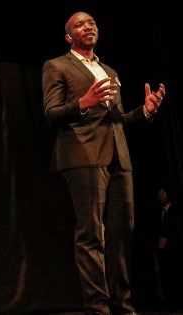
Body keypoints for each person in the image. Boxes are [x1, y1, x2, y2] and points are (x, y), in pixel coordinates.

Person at [41, 11, 166, 315]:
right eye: (80, 24)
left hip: (119, 158)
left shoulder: (109, 70)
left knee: (122, 234)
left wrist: (145, 112)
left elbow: (118, 120)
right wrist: (83, 103)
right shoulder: (57, 66)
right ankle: (98, 308)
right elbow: (52, 113)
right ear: (69, 37)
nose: (88, 26)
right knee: (92, 235)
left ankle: (123, 305)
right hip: (83, 155)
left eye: (92, 22)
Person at [153, 186, 183, 309]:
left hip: (174, 248)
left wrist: (167, 238)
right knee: (166, 275)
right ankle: (169, 301)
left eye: (163, 193)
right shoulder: (160, 211)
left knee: (175, 274)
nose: (161, 196)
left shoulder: (174, 210)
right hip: (163, 250)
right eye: (159, 194)